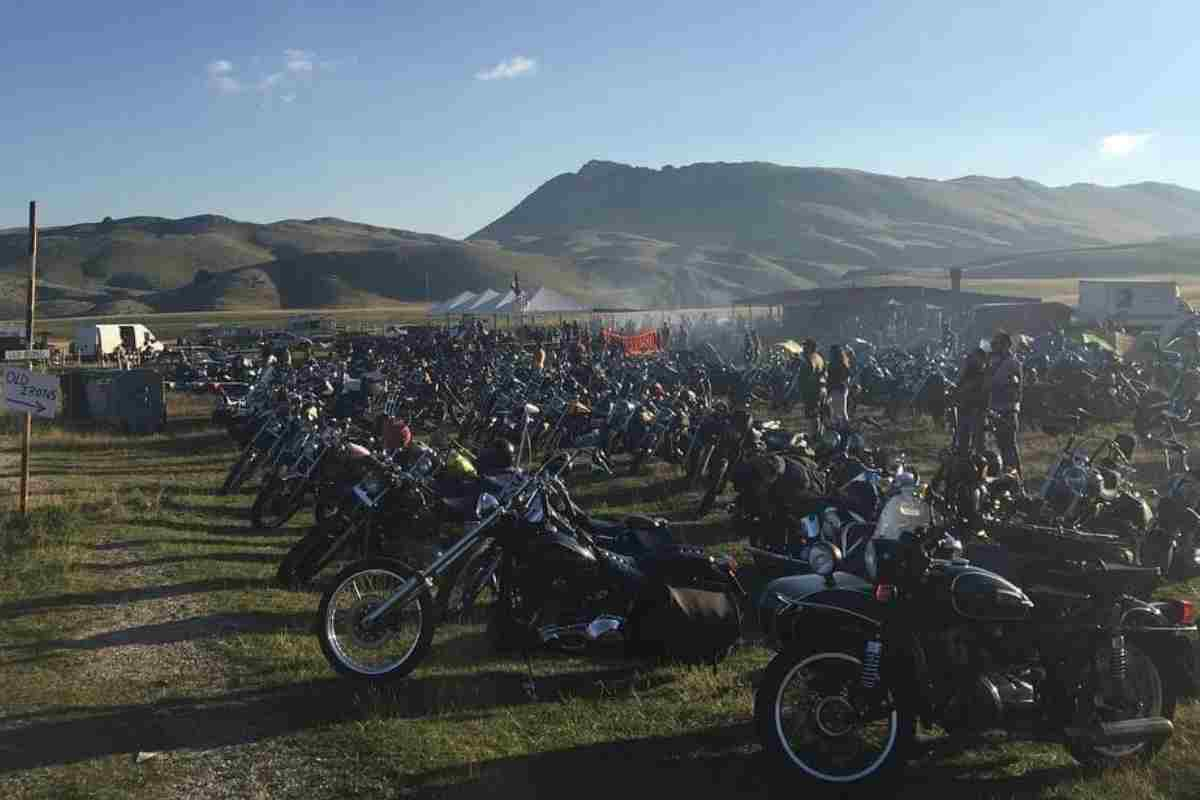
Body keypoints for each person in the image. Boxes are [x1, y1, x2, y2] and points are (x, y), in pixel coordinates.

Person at [987, 330, 1023, 483]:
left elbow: (1014, 388)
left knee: (1009, 449)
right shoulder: (995, 362)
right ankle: (1009, 479)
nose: (994, 347)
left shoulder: (1012, 363)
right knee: (1002, 447)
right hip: (995, 409)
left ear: (1006, 345)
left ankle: (1017, 481)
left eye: (998, 344)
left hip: (1007, 411)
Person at [954, 342, 991, 454]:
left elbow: (985, 392)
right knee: (963, 439)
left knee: (979, 441)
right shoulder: (967, 373)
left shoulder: (985, 374)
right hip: (965, 408)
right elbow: (959, 387)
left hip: (978, 410)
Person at [796, 338, 826, 436]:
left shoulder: (809, 358)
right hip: (821, 389)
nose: (803, 348)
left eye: (805, 346)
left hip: (812, 391)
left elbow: (808, 375)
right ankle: (819, 434)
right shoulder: (819, 357)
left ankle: (814, 436)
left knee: (812, 415)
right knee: (818, 414)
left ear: (810, 347)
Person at [827, 343, 852, 428]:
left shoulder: (833, 364)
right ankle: (843, 429)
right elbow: (848, 376)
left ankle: (842, 429)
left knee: (837, 412)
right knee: (841, 412)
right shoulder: (844, 363)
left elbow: (830, 378)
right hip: (842, 389)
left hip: (836, 389)